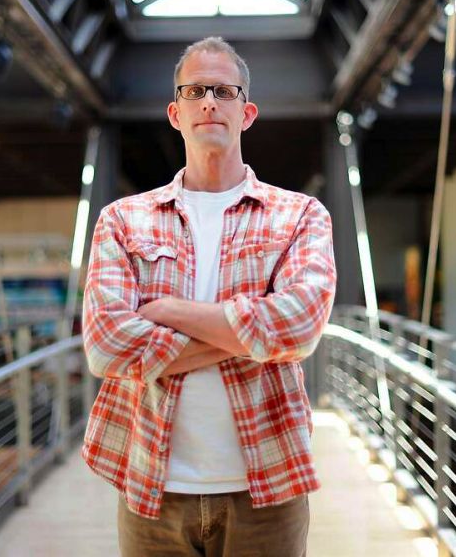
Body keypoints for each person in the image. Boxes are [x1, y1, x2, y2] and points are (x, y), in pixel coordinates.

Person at [81, 37, 337, 556]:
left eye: (224, 90)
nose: (210, 103)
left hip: (267, 483)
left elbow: (300, 326)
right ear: (176, 113)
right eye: (196, 91)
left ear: (247, 112)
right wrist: (253, 338)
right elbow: (105, 346)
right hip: (152, 485)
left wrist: (171, 313)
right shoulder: (124, 220)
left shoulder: (300, 216)